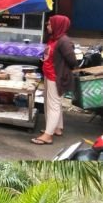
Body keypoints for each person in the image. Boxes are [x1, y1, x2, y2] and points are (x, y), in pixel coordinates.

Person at [33, 15, 78, 146]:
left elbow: (72, 61)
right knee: (52, 103)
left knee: (53, 105)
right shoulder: (54, 39)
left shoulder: (64, 41)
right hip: (49, 75)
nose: (47, 26)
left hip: (56, 77)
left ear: (57, 25)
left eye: (49, 24)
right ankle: (56, 128)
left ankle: (47, 136)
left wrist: (62, 70)